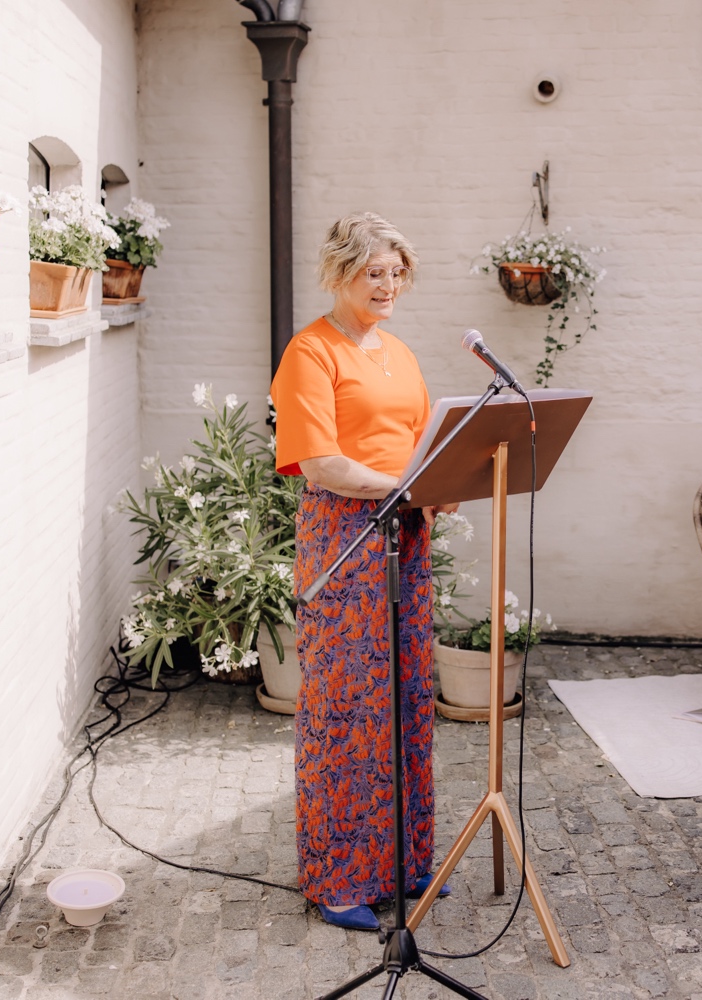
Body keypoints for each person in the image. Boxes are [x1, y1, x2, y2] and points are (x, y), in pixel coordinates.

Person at [270, 212, 456, 931]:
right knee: (346, 707)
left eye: (396, 272)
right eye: (373, 272)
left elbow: (422, 445)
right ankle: (340, 878)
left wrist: (441, 481)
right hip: (343, 538)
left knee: (405, 697)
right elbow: (323, 464)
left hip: (402, 536)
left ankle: (403, 864)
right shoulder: (310, 353)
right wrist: (409, 484)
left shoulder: (400, 354)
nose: (387, 285)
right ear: (340, 274)